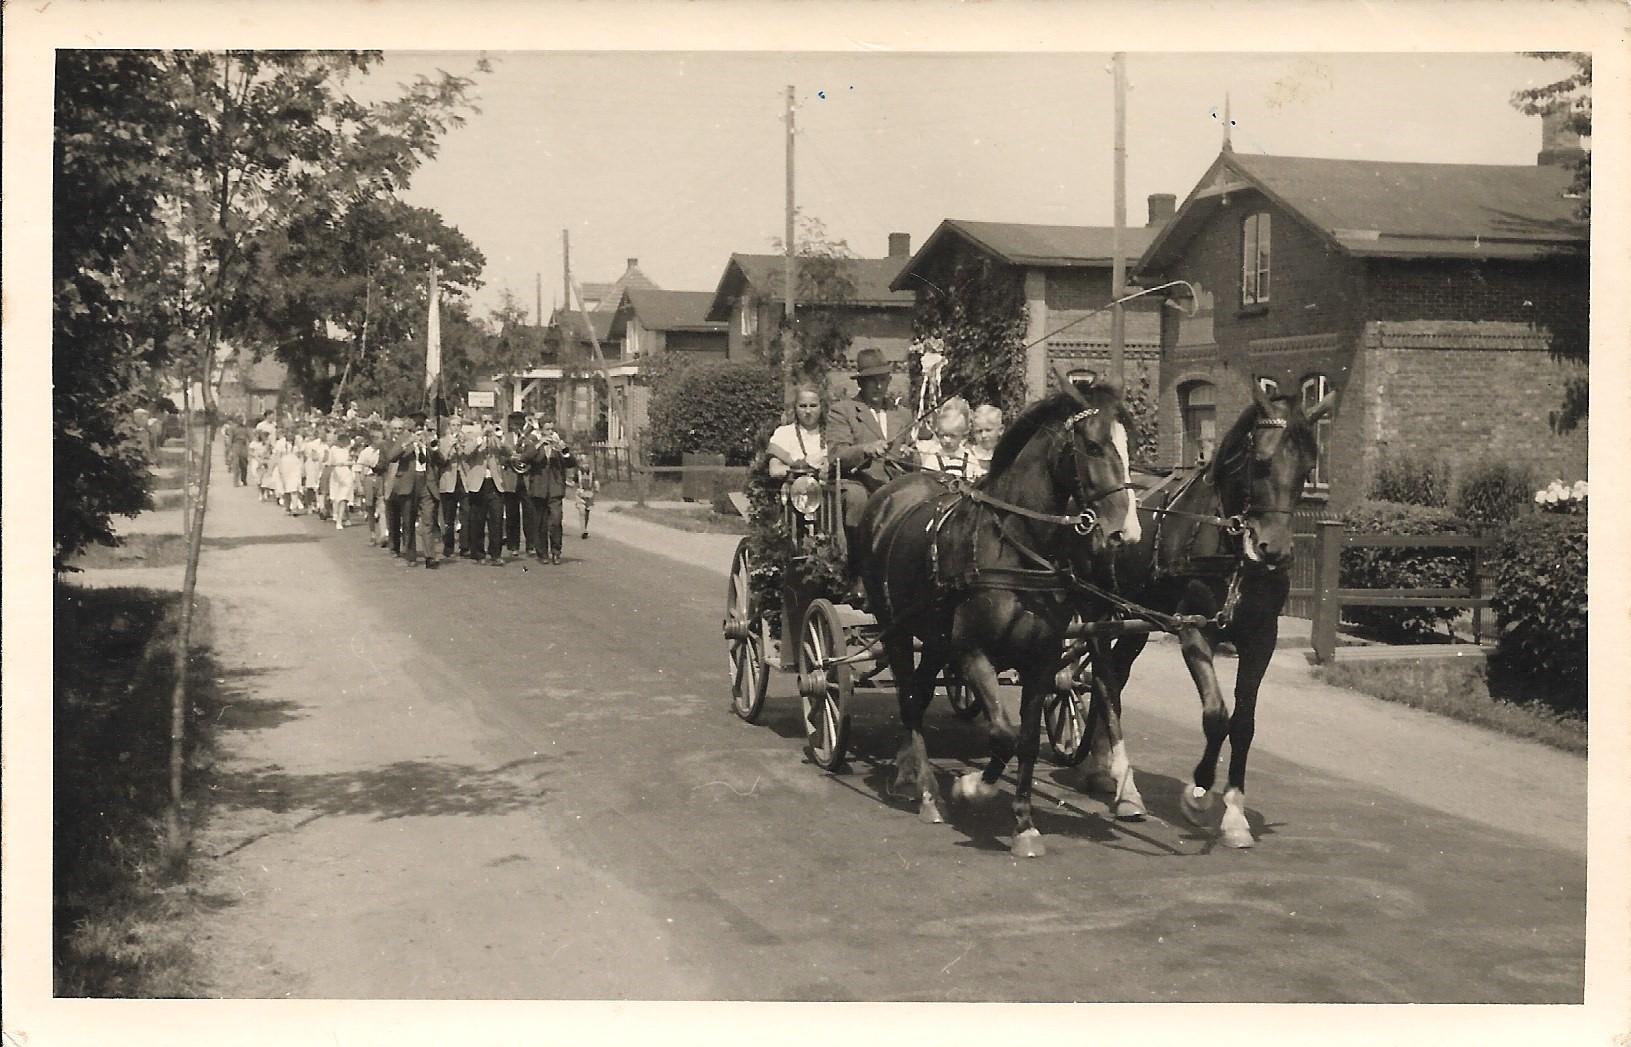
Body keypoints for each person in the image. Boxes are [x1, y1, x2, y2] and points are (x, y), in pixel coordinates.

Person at [825, 346, 913, 537]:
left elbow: (914, 458)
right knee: (858, 498)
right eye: (872, 381)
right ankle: (857, 556)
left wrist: (912, 454)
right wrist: (866, 449)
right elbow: (836, 455)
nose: (879, 386)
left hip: (895, 484)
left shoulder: (903, 414)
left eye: (882, 380)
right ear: (861, 383)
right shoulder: (843, 411)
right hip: (858, 483)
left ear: (889, 380)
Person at [384, 412, 445, 567]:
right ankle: (410, 555)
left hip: (426, 481)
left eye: (421, 426)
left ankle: (430, 556)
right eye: (416, 426)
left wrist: (434, 448)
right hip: (408, 483)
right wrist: (409, 443)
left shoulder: (429, 438)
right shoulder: (403, 438)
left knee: (428, 520)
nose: (419, 429)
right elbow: (392, 457)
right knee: (409, 521)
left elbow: (441, 462)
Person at [457, 414, 518, 566]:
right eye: (486, 422)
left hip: (495, 482)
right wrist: (481, 439)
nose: (489, 425)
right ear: (480, 423)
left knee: (497, 519)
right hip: (478, 483)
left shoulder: (497, 439)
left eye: (491, 422)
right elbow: (466, 452)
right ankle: (478, 554)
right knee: (477, 520)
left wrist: (500, 439)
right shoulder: (472, 437)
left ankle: (495, 554)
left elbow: (509, 452)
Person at [522, 419, 574, 564]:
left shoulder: (558, 447)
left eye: (552, 429)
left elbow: (571, 463)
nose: (550, 432)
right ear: (541, 431)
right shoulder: (534, 445)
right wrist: (539, 443)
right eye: (547, 430)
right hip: (539, 489)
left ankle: (556, 552)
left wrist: (563, 450)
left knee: (556, 521)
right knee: (540, 523)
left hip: (555, 489)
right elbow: (524, 458)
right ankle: (542, 553)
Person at [767, 384, 827, 478]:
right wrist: (806, 469)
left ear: (822, 407)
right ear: (795, 407)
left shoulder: (834, 433)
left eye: (813, 406)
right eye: (802, 406)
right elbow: (775, 470)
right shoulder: (783, 434)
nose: (808, 411)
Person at [917, 397, 974, 479]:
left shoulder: (970, 460)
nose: (947, 440)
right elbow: (925, 484)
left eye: (952, 436)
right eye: (942, 435)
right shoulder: (933, 459)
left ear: (963, 436)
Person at [327, 431, 357, 529]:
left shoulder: (346, 450)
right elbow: (330, 462)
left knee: (343, 498)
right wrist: (336, 464)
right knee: (337, 498)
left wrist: (348, 462)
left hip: (346, 475)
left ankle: (339, 521)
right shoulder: (333, 450)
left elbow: (351, 461)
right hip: (336, 475)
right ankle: (344, 517)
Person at [968, 403, 1004, 480]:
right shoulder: (969, 456)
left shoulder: (1004, 454)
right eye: (979, 431)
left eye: (988, 430)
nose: (983, 435)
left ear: (1000, 430)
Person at [571, 455, 599, 539]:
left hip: (589, 494)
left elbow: (595, 482)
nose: (585, 466)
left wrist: (597, 487)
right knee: (582, 511)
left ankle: (585, 528)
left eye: (587, 464)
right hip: (580, 494)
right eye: (583, 464)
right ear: (580, 464)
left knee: (587, 512)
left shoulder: (592, 473)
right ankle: (583, 530)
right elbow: (573, 483)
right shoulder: (578, 473)